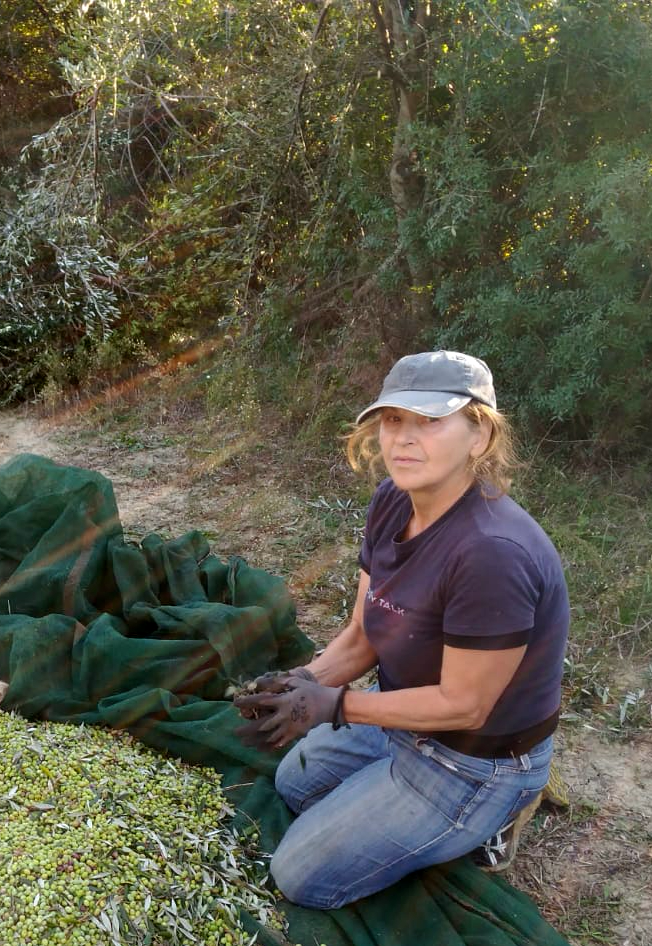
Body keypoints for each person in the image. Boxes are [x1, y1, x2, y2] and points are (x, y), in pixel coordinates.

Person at [235, 350, 569, 909]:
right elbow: (364, 634)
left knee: (299, 875)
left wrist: (337, 706)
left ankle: (502, 812)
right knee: (294, 783)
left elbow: (465, 706)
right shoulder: (392, 501)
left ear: (480, 436)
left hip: (474, 759)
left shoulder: (492, 553)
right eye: (393, 419)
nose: (404, 439)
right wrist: (301, 683)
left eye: (430, 420)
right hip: (403, 719)